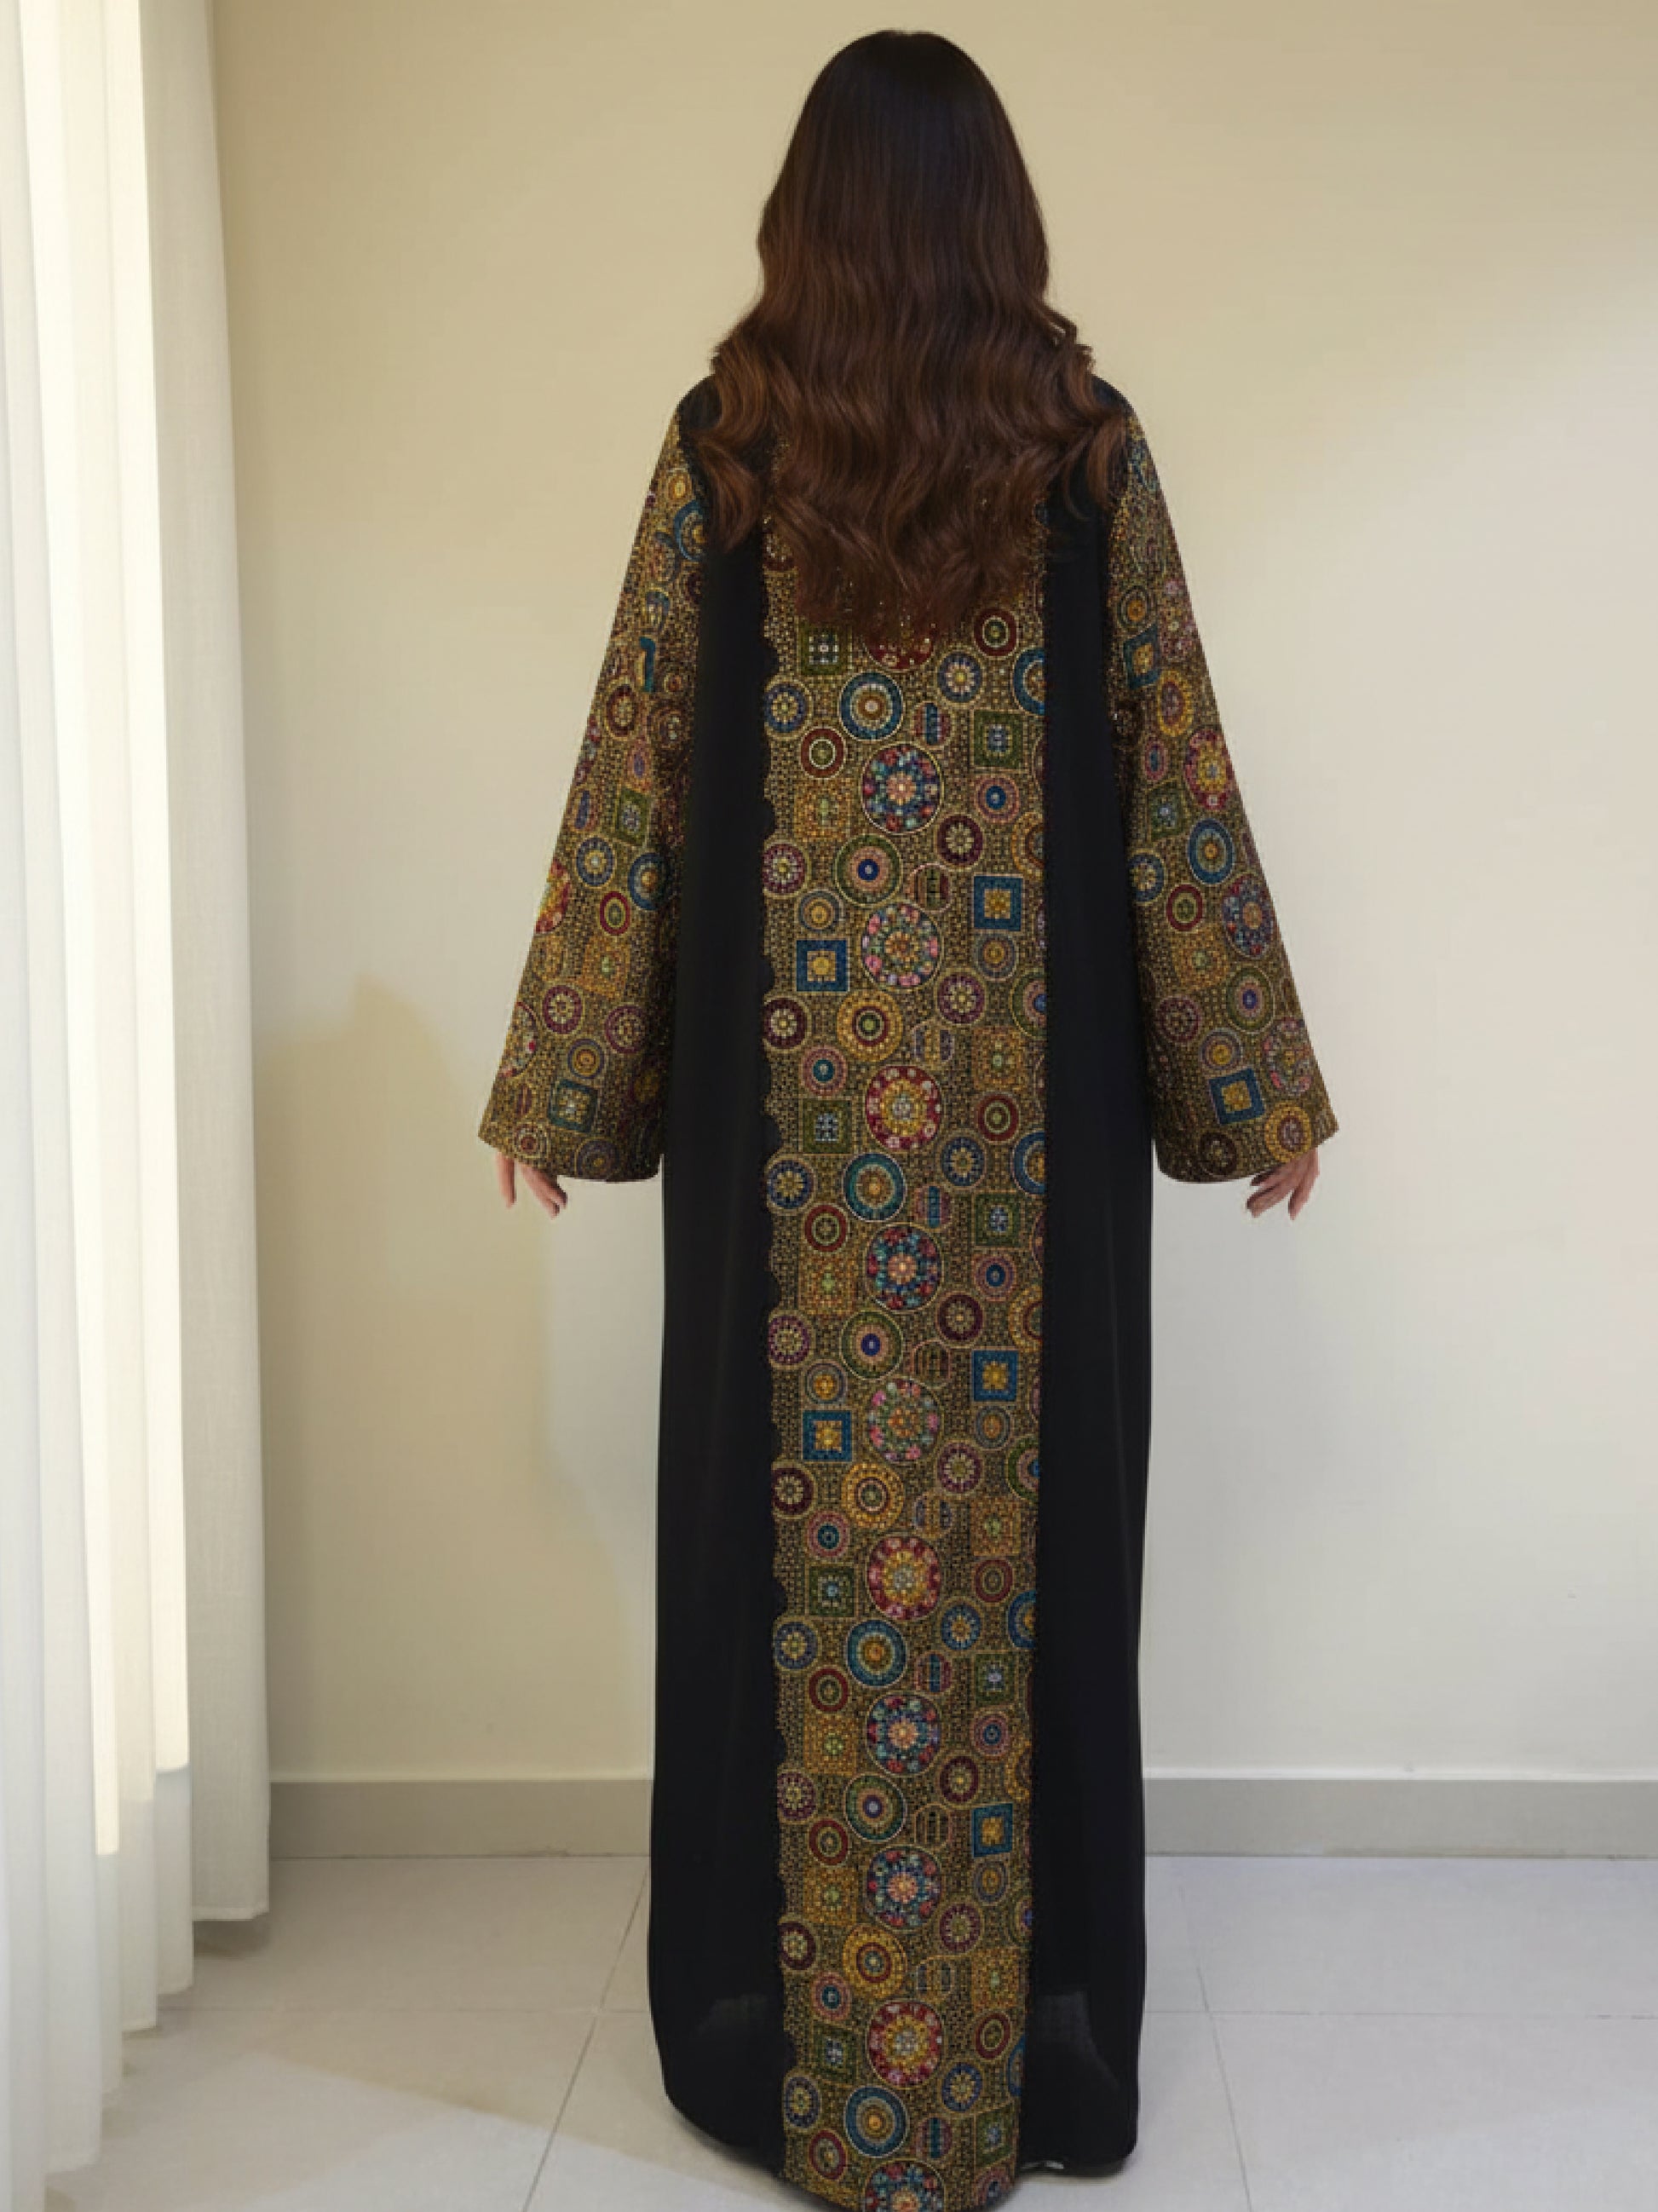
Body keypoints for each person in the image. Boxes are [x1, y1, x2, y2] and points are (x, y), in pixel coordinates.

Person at [477, 29, 1337, 2212]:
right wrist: (1250, 1085)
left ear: (806, 218)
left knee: (772, 1565)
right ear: (995, 219)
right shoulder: (1081, 452)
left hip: (782, 1157)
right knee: (1031, 1571)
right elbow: (1173, 781)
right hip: (1034, 1167)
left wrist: (568, 1073)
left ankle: (789, 2048)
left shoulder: (727, 451)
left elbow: (635, 767)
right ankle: (1026, 2050)